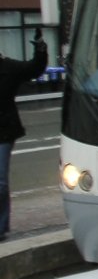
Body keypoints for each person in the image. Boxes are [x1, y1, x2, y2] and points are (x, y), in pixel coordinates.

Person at [0, 29, 48, 241]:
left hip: (3, 131)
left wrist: (40, 50)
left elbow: (34, 68)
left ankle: (1, 227)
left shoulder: (8, 68)